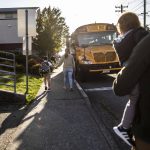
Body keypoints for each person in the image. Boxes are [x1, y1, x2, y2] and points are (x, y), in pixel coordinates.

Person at [112, 12, 149, 147]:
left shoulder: (119, 41)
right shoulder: (139, 34)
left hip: (128, 71)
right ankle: (123, 127)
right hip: (135, 73)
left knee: (132, 100)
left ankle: (124, 126)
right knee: (134, 100)